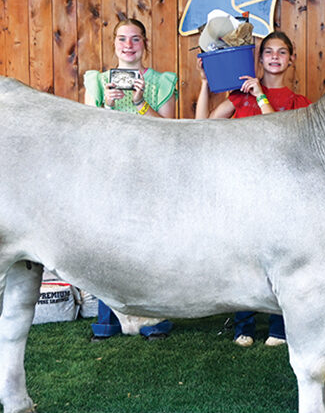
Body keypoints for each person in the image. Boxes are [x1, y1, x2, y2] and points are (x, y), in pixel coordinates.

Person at [195, 31, 309, 347]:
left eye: (282, 52)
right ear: (259, 59)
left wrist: (261, 96)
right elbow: (202, 126)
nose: (275, 57)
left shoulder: (299, 103)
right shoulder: (238, 97)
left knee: (282, 259)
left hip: (281, 193)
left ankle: (279, 328)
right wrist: (205, 83)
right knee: (243, 259)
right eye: (268, 51)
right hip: (243, 190)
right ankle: (243, 326)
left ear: (291, 59)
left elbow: (280, 135)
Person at [83, 17, 177, 339]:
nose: (128, 45)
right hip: (109, 172)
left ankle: (153, 320)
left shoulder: (161, 82)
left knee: (150, 245)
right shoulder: (98, 82)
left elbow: (169, 132)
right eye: (122, 39)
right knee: (106, 245)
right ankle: (108, 320)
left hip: (150, 172)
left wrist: (140, 103)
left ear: (145, 44)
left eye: (135, 39)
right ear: (114, 44)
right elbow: (87, 132)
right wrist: (107, 107)